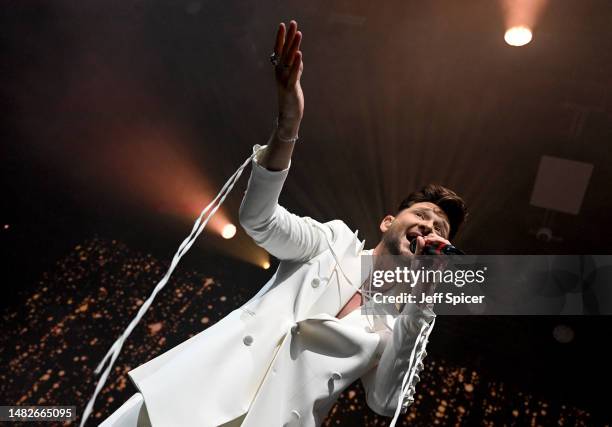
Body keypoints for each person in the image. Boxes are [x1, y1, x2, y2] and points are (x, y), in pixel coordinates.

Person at [100, 19, 467, 427]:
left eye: (439, 229)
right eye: (422, 214)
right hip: (196, 395)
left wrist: (422, 298)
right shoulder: (332, 241)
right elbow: (260, 220)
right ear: (387, 222)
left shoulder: (402, 318)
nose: (428, 227)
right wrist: (288, 125)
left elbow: (386, 401)